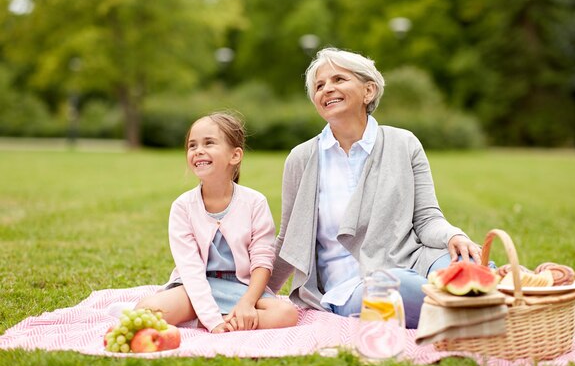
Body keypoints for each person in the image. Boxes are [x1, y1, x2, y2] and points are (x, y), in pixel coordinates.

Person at [268, 48, 484, 328]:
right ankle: (483, 309)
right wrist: (253, 293)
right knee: (399, 289)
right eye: (319, 86)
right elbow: (288, 239)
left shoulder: (403, 143)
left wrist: (453, 235)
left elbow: (428, 219)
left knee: (468, 267)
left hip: (416, 261)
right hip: (350, 285)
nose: (327, 89)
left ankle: (477, 304)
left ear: (368, 91)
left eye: (339, 79)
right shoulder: (301, 158)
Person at [136, 112, 298, 333]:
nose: (198, 150)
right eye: (192, 146)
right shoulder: (183, 207)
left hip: (242, 289)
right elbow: (191, 269)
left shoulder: (254, 202)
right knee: (146, 311)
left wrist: (247, 303)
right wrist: (213, 322)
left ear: (235, 156)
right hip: (194, 288)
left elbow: (262, 261)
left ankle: (225, 318)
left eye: (209, 143)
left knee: (286, 314)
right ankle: (215, 319)